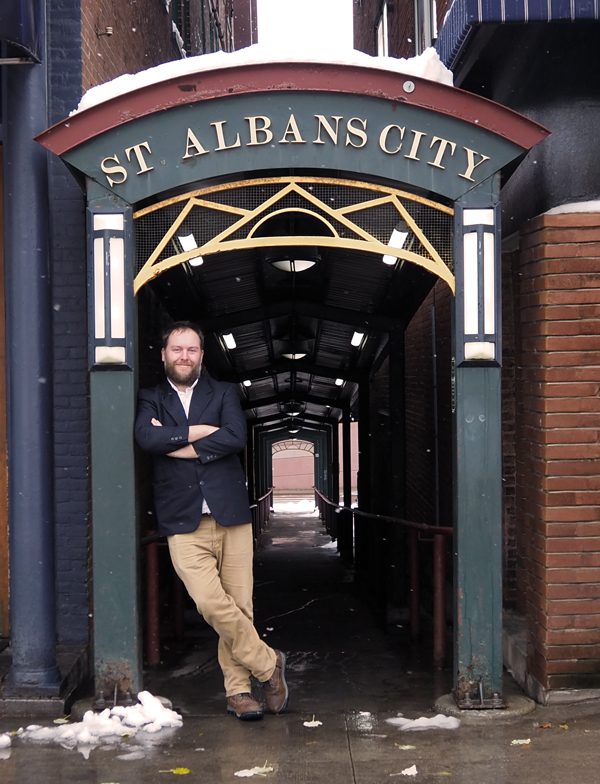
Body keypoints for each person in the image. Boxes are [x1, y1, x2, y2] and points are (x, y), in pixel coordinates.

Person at [134, 320, 288, 721]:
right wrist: (201, 432)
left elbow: (235, 437)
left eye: (192, 350)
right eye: (177, 349)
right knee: (210, 603)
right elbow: (146, 439)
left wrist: (178, 441)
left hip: (231, 516)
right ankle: (269, 665)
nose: (184, 356)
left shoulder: (223, 392)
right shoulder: (150, 398)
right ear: (164, 353)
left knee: (240, 605)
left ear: (202, 355)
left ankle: (239, 693)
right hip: (183, 521)